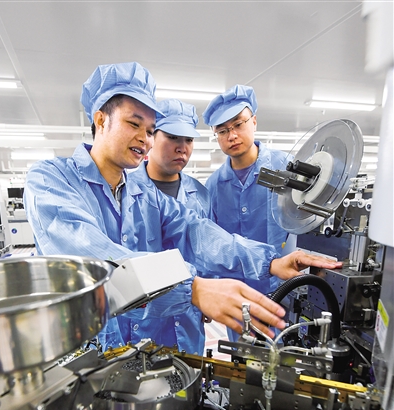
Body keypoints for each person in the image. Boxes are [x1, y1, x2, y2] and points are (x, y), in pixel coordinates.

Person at [23, 62, 341, 353]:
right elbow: (94, 260)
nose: (145, 140)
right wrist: (193, 289)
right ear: (101, 119)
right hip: (85, 355)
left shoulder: (144, 195)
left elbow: (196, 233)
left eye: (150, 130)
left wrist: (271, 261)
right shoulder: (51, 179)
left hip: (141, 353)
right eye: (134, 124)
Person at [203, 85, 291, 340]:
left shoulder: (285, 168)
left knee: (286, 354)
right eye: (222, 131)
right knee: (243, 358)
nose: (232, 135)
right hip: (238, 297)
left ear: (253, 122)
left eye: (238, 125)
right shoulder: (214, 186)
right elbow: (210, 242)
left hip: (283, 291)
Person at [126, 98, 210, 353]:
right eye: (173, 137)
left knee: (190, 374)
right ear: (151, 137)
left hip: (188, 318)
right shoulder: (125, 191)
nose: (182, 148)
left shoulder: (200, 194)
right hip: (142, 321)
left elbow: (208, 248)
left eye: (189, 140)